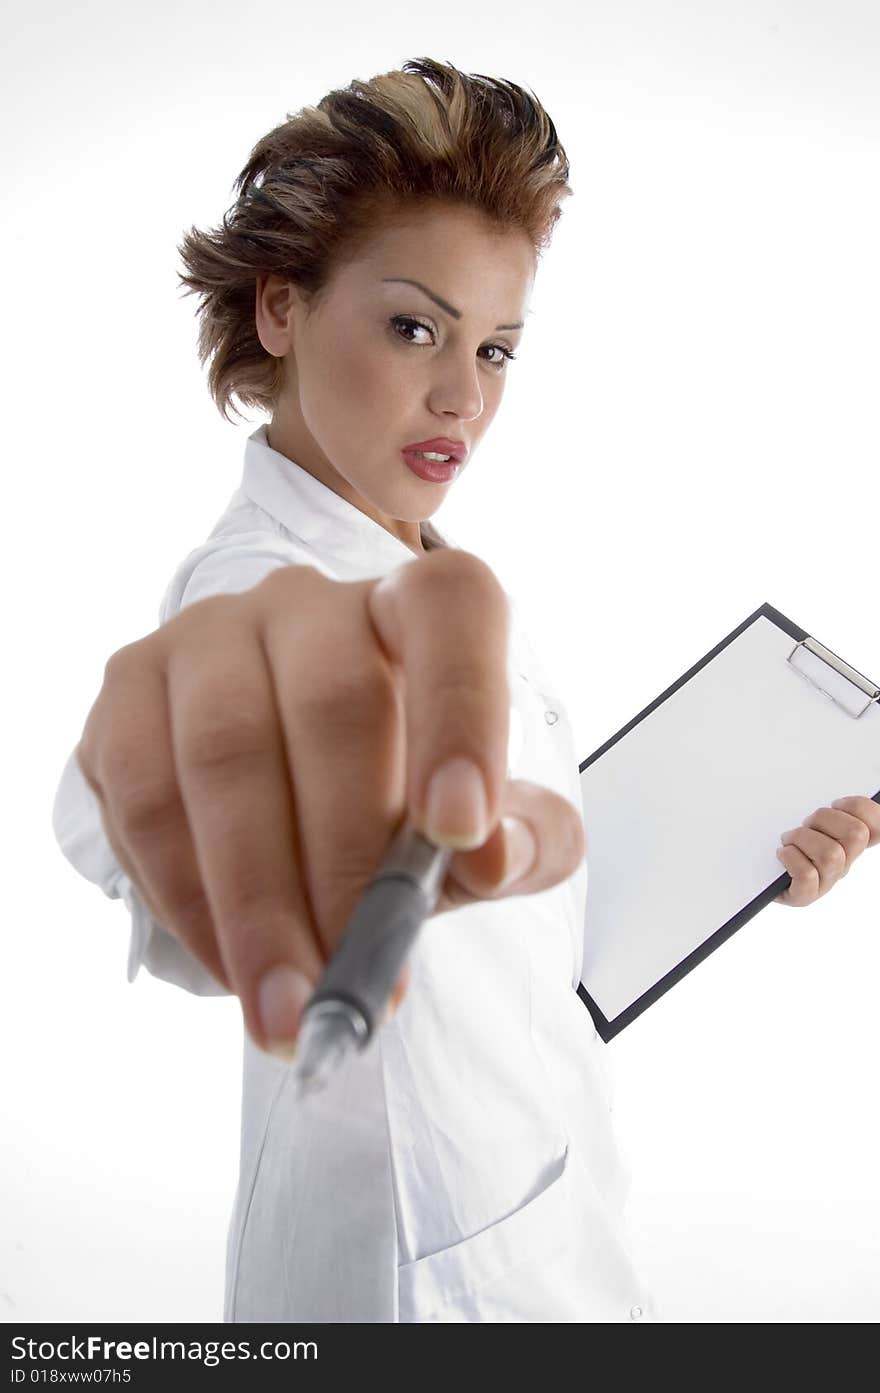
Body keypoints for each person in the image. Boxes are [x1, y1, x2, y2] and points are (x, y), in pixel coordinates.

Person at [51, 56, 878, 1325]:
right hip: (417, 1279)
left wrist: (733, 861)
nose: (465, 396)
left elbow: (494, 896)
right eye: (411, 326)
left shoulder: (411, 552)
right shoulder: (262, 588)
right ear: (279, 308)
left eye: (495, 346)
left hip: (531, 1200)